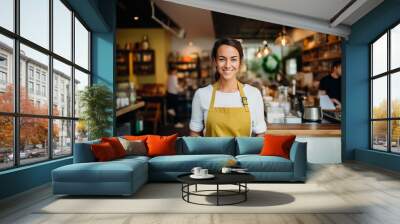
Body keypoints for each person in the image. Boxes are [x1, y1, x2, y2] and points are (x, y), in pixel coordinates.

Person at [189, 38, 267, 137]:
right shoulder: (201, 94)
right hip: (211, 152)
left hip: (243, 153)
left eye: (233, 59)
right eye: (222, 59)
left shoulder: (253, 94)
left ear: (240, 62)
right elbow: (194, 133)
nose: (227, 65)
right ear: (215, 62)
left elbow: (260, 134)